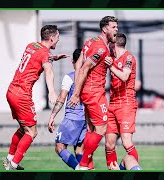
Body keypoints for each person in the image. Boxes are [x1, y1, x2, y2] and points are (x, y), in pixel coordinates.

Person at [3, 25, 68, 170]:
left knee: (23, 129)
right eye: (57, 37)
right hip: (22, 95)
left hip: (11, 91)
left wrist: (54, 57)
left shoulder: (31, 45)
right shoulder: (45, 54)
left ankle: (9, 159)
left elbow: (37, 59)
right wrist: (51, 91)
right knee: (32, 132)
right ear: (51, 38)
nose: (58, 40)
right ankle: (13, 165)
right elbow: (49, 71)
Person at [67, 16, 118, 170]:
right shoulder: (100, 47)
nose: (116, 30)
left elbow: (79, 64)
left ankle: (88, 166)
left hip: (89, 92)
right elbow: (84, 68)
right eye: (114, 27)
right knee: (101, 129)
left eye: (117, 26)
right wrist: (75, 94)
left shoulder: (91, 41)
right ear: (105, 29)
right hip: (94, 93)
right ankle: (83, 164)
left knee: (91, 129)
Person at [48, 48, 94, 170]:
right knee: (79, 150)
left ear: (73, 61)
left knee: (59, 147)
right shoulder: (90, 78)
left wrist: (52, 116)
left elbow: (62, 98)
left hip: (72, 119)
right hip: (85, 119)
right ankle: (83, 168)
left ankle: (79, 169)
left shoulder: (70, 77)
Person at [104, 33, 139, 169]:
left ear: (114, 44)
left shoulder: (128, 57)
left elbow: (124, 76)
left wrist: (111, 66)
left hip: (126, 104)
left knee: (126, 142)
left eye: (110, 43)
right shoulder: (112, 58)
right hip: (112, 104)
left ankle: (135, 169)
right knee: (109, 143)